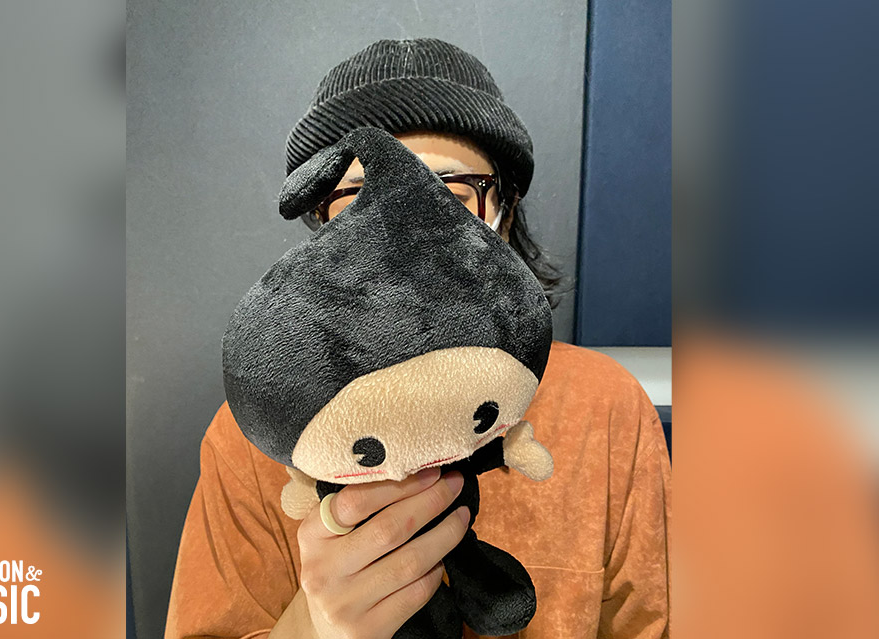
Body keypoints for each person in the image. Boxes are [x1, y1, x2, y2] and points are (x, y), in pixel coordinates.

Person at [164, 38, 671, 639]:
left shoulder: (606, 410)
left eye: (449, 198)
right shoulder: (261, 435)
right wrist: (312, 627)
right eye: (358, 201)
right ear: (321, 226)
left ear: (504, 214)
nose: (408, 235)